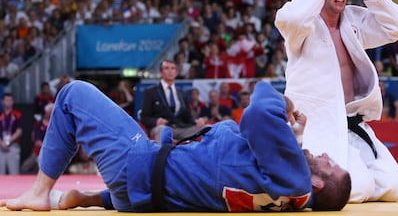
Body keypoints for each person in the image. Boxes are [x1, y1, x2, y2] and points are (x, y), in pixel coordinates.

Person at [0, 80, 351, 212]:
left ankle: (39, 192)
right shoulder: (288, 197)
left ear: (318, 183)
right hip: (146, 197)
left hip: (139, 167)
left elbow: (258, 111)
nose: (324, 155)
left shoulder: (296, 178)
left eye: (330, 164)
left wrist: (282, 99)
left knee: (72, 95)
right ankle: (94, 199)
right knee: (177, 169)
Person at [274, 0, 398, 203]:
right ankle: (307, 180)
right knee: (356, 187)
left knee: (395, 186)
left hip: (353, 125)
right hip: (319, 125)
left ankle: (348, 173)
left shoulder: (353, 20)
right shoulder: (302, 28)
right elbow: (290, 18)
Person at [140, 59, 207, 142]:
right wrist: (156, 121)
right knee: (163, 131)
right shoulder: (151, 92)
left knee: (207, 128)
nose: (170, 71)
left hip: (181, 128)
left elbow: (187, 116)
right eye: (167, 68)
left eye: (172, 68)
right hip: (162, 128)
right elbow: (144, 117)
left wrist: (196, 121)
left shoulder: (182, 93)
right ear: (161, 73)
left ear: (176, 72)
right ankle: (163, 155)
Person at [0, 92, 23, 175]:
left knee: (14, 173)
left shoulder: (17, 114)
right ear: (2, 101)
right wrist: (2, 143)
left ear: (13, 102)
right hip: (0, 146)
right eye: (6, 100)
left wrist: (8, 142)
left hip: (13, 146)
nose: (8, 102)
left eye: (10, 100)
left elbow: (19, 131)